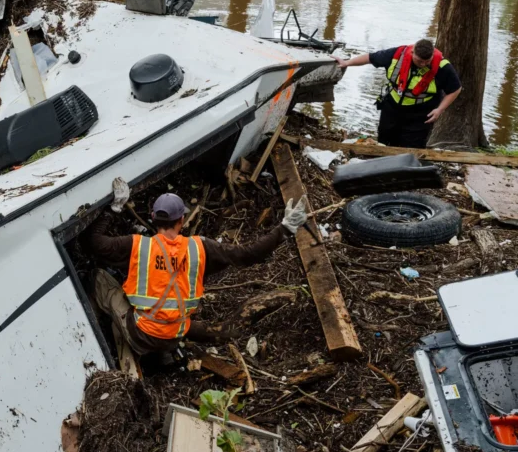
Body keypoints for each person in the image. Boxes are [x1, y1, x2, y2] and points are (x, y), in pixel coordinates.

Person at [83, 182, 308, 357]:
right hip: (175, 336)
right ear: (181, 220)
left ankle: (92, 319)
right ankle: (163, 353)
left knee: (98, 277)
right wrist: (285, 229)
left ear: (153, 218)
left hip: (140, 336)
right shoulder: (199, 248)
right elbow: (248, 254)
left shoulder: (137, 245)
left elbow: (94, 243)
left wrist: (114, 208)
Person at [335, 39, 461, 149]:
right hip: (392, 108)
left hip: (420, 113)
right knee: (385, 141)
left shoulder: (442, 66)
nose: (423, 64)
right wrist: (347, 63)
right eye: (419, 61)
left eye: (426, 61)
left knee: (412, 147)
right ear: (412, 53)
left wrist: (439, 109)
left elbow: (455, 89)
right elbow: (370, 58)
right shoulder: (396, 55)